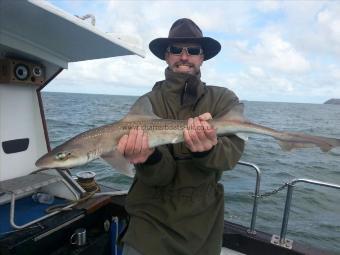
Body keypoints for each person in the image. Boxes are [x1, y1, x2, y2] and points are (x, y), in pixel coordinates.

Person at [118, 18, 245, 255]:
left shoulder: (223, 100)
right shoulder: (148, 104)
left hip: (203, 223)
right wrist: (150, 158)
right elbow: (160, 177)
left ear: (202, 57)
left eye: (193, 50)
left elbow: (229, 159)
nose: (184, 56)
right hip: (150, 220)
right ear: (167, 55)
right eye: (176, 50)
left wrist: (208, 150)